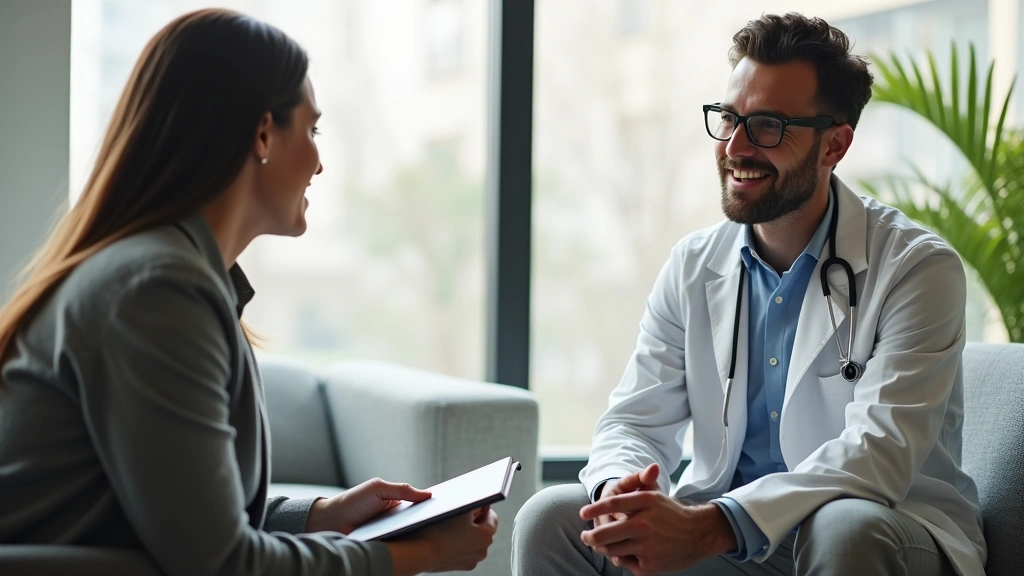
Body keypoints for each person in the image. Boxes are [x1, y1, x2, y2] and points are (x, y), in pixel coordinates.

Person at [0, 9, 497, 576]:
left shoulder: (171, 276)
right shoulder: (156, 290)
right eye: (311, 130)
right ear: (263, 133)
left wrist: (324, 515)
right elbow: (222, 564)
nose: (319, 161)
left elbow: (182, 518)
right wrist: (414, 556)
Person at [512, 12, 985, 576]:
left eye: (768, 126)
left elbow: (878, 453)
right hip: (729, 539)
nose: (736, 146)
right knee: (553, 518)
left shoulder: (917, 268)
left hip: (883, 526)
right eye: (729, 119)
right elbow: (634, 423)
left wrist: (714, 524)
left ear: (834, 145)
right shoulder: (693, 265)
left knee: (842, 524)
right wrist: (622, 494)